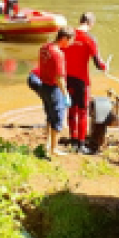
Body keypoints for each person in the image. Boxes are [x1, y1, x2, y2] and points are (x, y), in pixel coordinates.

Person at [63, 12, 107, 155]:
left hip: (67, 78)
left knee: (71, 109)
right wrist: (106, 67)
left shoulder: (68, 35)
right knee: (83, 112)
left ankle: (73, 140)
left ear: (80, 21)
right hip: (81, 81)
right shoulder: (90, 39)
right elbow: (98, 64)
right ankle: (81, 145)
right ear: (91, 23)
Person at [38, 27, 75, 157]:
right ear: (64, 39)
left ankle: (47, 143)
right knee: (57, 118)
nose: (70, 44)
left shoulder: (44, 48)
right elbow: (59, 78)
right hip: (54, 89)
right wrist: (66, 95)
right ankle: (53, 149)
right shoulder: (58, 54)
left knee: (49, 115)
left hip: (43, 86)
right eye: (70, 41)